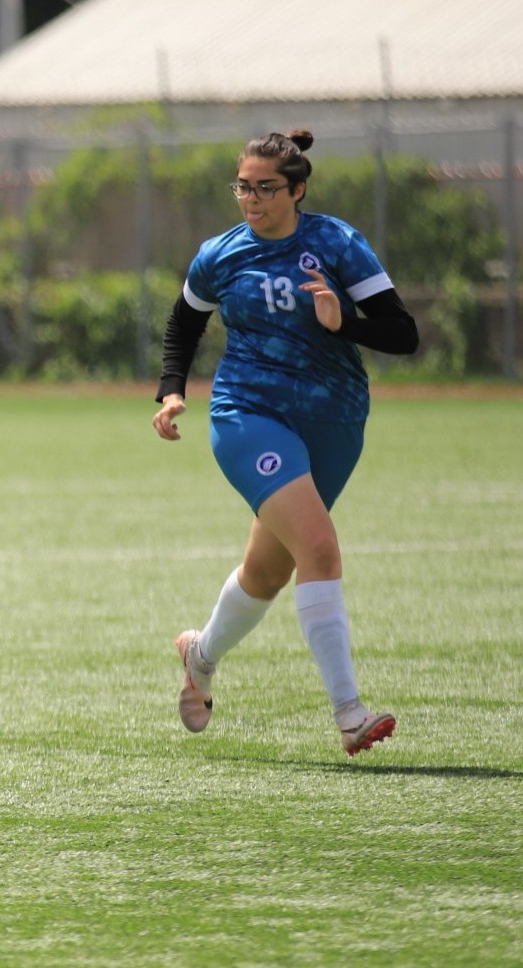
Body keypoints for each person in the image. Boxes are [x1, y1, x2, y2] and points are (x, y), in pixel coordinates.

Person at [152, 129, 419, 756]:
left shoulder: (335, 243)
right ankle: (350, 712)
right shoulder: (220, 254)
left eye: (265, 188)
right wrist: (170, 392)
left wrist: (343, 321)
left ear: (297, 190)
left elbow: (403, 334)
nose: (251, 198)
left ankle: (201, 654)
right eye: (243, 186)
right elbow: (184, 322)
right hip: (248, 413)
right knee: (319, 547)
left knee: (267, 571)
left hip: (335, 418)